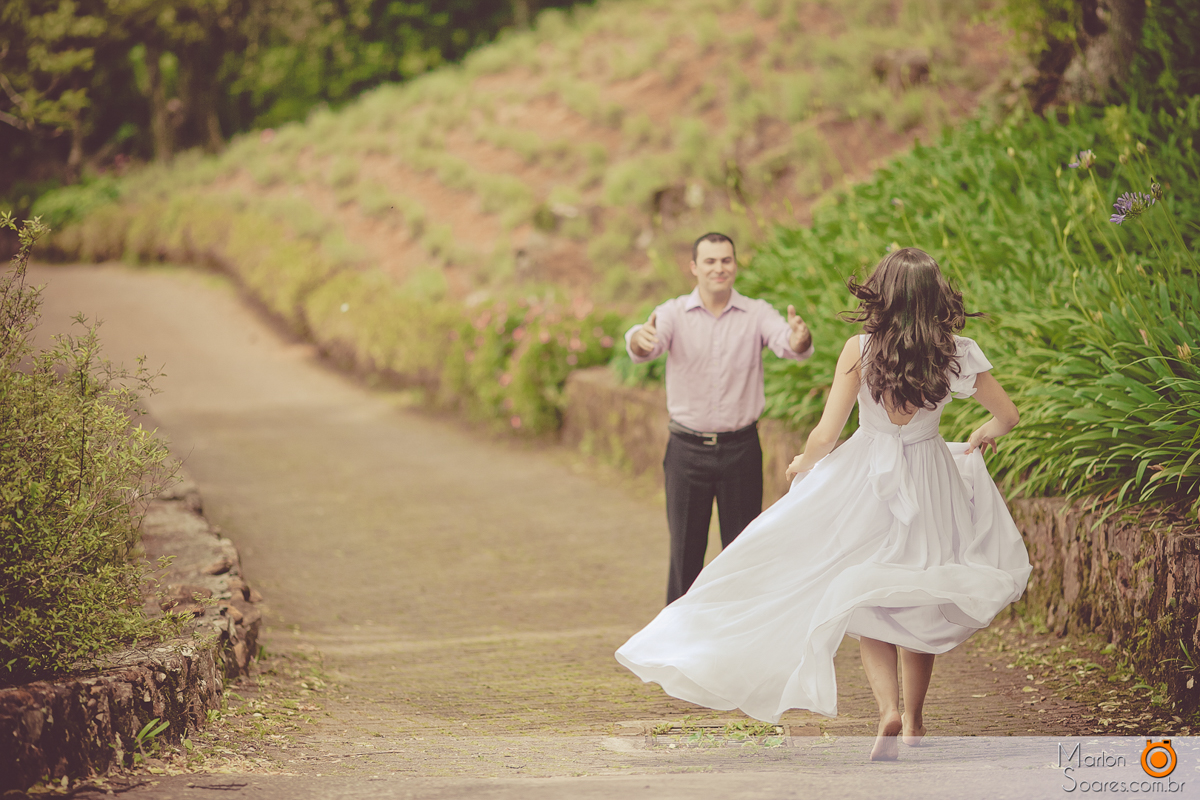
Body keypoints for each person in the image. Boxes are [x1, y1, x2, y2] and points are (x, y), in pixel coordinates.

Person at [616, 247, 1031, 761]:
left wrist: (803, 466)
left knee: (865, 596)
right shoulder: (957, 352)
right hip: (931, 478)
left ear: (883, 293)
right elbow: (1008, 414)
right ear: (933, 296)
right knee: (920, 596)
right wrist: (984, 431)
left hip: (866, 481)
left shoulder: (861, 349)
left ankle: (888, 711)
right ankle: (916, 723)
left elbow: (826, 434)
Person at [626, 232, 814, 605]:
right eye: (710, 261)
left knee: (742, 554)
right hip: (686, 451)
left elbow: (789, 345)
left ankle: (739, 643)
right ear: (694, 267)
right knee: (685, 555)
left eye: (726, 260)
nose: (719, 268)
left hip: (740, 450)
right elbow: (645, 343)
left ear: (735, 264)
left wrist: (800, 339)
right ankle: (679, 647)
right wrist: (639, 340)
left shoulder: (757, 312)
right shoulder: (672, 313)